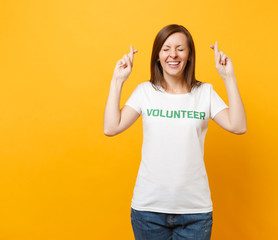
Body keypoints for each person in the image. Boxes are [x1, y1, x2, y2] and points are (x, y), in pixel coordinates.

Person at [103, 24, 247, 240]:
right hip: (148, 210)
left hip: (195, 213)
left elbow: (238, 126)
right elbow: (111, 127)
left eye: (180, 49)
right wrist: (117, 80)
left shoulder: (204, 93)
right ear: (157, 56)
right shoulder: (145, 92)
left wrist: (228, 78)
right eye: (166, 48)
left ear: (189, 55)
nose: (173, 54)